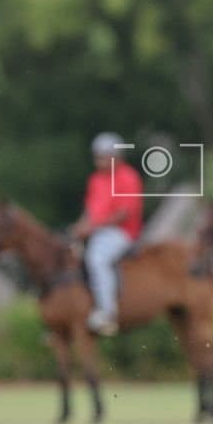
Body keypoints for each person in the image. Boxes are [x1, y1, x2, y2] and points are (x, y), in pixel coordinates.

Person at [71, 132, 143, 335]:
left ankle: (107, 312)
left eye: (103, 156)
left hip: (122, 233)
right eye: (97, 156)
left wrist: (91, 227)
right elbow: (90, 211)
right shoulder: (95, 180)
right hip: (98, 232)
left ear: (116, 157)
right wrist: (79, 227)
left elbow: (124, 213)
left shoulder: (128, 177)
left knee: (97, 258)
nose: (99, 160)